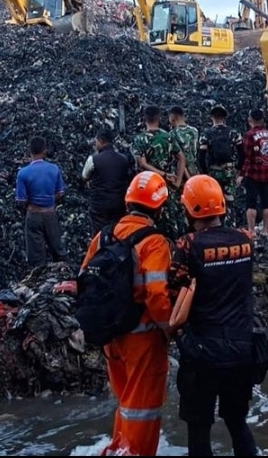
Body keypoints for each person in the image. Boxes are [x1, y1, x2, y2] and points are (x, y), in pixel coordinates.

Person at [81, 171, 173, 457]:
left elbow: (83, 279)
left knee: (126, 402)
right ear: (159, 206)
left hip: (111, 336)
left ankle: (118, 448)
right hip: (142, 339)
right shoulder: (154, 242)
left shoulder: (103, 236)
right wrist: (169, 328)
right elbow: (157, 293)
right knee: (142, 409)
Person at [170, 175, 260, 457]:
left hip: (202, 352)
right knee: (237, 421)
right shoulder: (245, 240)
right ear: (221, 206)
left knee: (199, 427)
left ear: (188, 209)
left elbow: (174, 296)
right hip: (242, 348)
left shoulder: (186, 245)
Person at [132, 105, 185, 238]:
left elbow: (143, 163)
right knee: (171, 221)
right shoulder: (167, 137)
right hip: (167, 186)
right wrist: (177, 181)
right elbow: (182, 158)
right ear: (159, 118)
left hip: (147, 188)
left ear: (144, 119)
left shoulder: (139, 139)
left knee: (149, 223)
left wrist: (162, 174)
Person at [15, 136, 68, 267]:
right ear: (45, 151)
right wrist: (49, 199)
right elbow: (61, 192)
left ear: (30, 151)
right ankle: (64, 277)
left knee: (36, 255)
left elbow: (21, 200)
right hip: (50, 214)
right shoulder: (54, 169)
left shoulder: (23, 173)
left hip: (33, 215)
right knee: (57, 249)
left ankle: (39, 281)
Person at [197, 106, 243, 225]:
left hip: (214, 172)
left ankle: (216, 226)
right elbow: (242, 154)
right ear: (225, 118)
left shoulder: (207, 134)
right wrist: (238, 170)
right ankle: (231, 226)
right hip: (229, 171)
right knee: (230, 199)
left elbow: (201, 157)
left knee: (215, 199)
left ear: (212, 118)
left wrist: (205, 173)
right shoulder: (233, 133)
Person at [236, 109, 268, 237]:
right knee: (267, 202)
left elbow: (246, 156)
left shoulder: (249, 135)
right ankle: (265, 230)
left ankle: (251, 230)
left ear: (250, 120)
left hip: (253, 173)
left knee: (251, 202)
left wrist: (241, 173)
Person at [82, 129, 132, 233]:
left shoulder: (94, 159)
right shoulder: (123, 159)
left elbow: (84, 176)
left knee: (98, 234)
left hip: (99, 206)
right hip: (119, 204)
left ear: (101, 141)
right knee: (117, 232)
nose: (95, 144)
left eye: (96, 141)